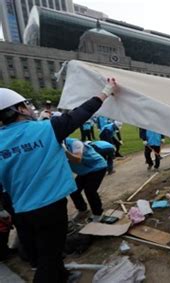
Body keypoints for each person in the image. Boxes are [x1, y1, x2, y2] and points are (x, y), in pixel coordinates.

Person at [0, 79, 118, 282]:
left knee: (40, 252)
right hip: (49, 206)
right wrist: (107, 90)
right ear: (18, 109)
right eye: (26, 104)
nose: (30, 108)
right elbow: (82, 112)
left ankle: (63, 275)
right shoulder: (46, 129)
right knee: (50, 256)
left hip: (20, 210)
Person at [64, 137, 108, 223]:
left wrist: (64, 150)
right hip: (83, 172)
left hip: (97, 168)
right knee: (74, 190)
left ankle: (98, 214)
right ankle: (83, 210)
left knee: (90, 191)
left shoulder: (75, 143)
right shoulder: (54, 148)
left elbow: (77, 159)